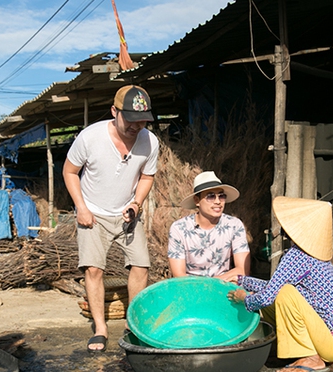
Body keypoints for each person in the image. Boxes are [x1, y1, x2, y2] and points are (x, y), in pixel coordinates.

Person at [63, 85, 159, 352]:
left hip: (127, 212)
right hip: (92, 211)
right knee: (93, 269)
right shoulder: (89, 137)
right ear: (114, 111)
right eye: (130, 119)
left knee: (141, 266)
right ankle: (101, 328)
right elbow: (70, 172)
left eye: (142, 120)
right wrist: (81, 206)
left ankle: (133, 324)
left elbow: (147, 176)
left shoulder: (150, 142)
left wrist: (136, 202)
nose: (136, 126)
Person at [227, 196, 333, 372]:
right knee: (282, 293)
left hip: (330, 342)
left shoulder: (297, 256)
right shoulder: (316, 255)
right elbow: (273, 287)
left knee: (283, 295)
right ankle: (299, 349)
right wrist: (242, 281)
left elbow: (267, 297)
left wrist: (244, 299)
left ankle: (310, 358)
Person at [168, 171, 250, 281]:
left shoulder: (234, 225)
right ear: (197, 201)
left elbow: (243, 269)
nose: (218, 202)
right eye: (210, 196)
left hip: (223, 284)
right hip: (191, 287)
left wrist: (215, 282)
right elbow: (179, 275)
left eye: (221, 196)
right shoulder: (179, 228)